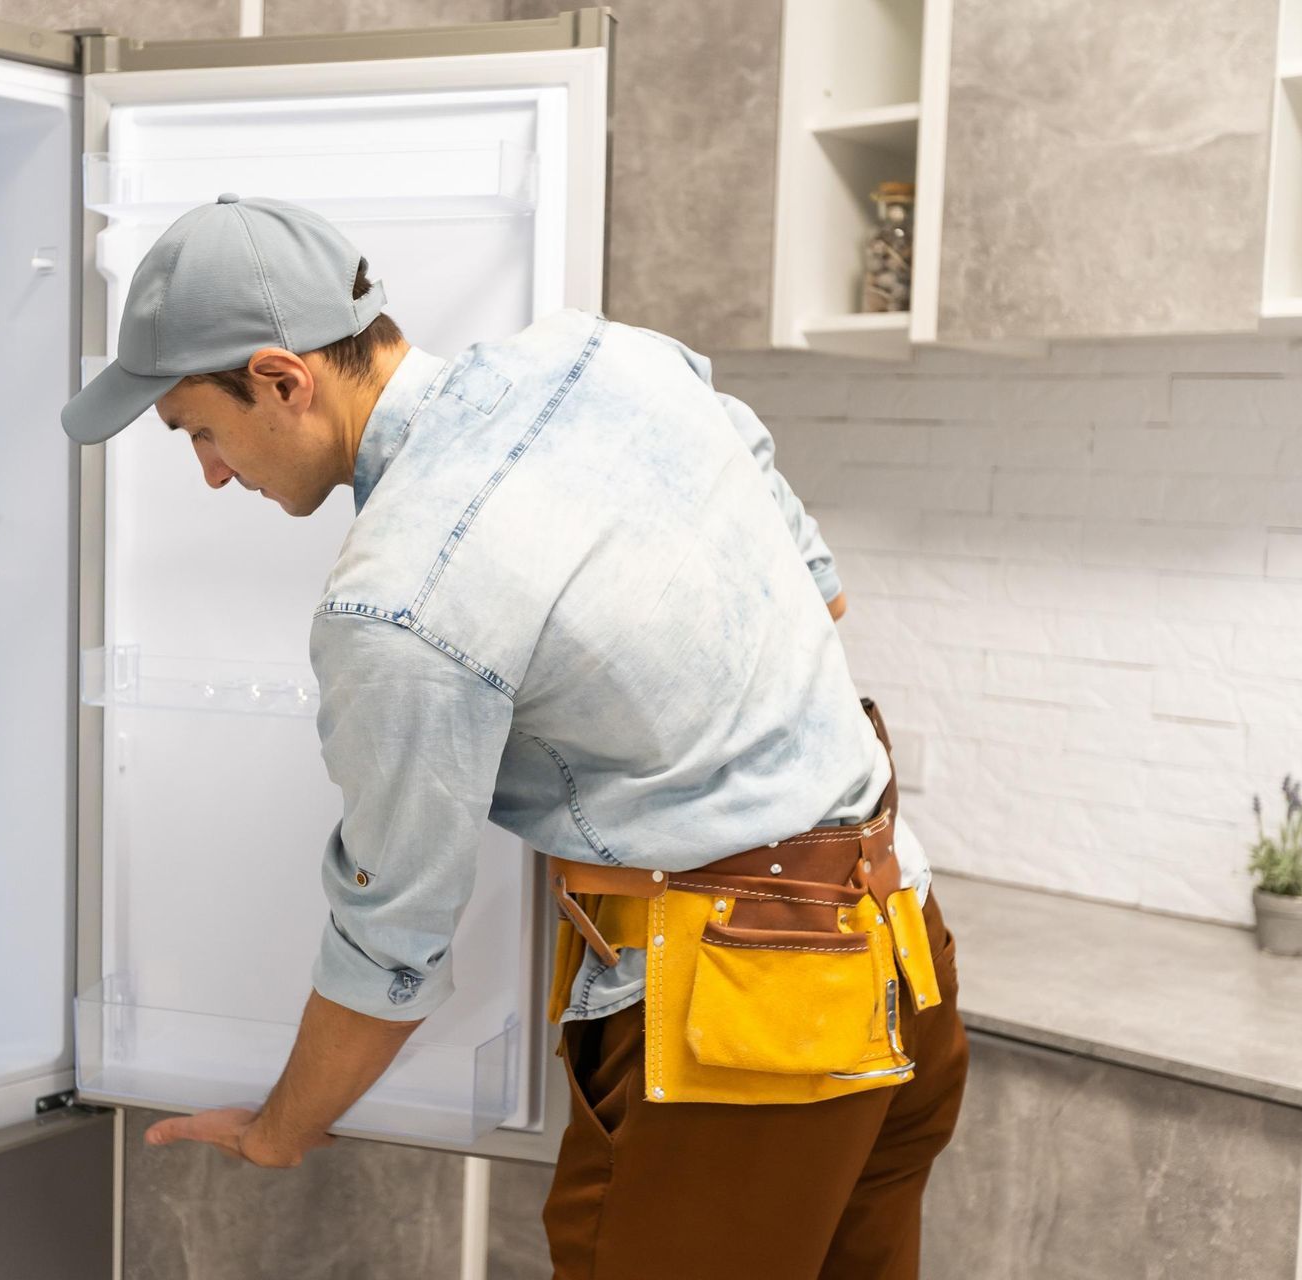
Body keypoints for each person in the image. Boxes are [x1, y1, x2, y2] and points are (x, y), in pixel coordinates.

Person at [62, 193, 970, 1279]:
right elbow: (815, 590)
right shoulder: (607, 354)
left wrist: (278, 1127)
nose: (211, 470)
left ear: (282, 379)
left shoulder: (397, 600)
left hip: (751, 1029)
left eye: (197, 429)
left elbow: (392, 946)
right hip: (906, 963)